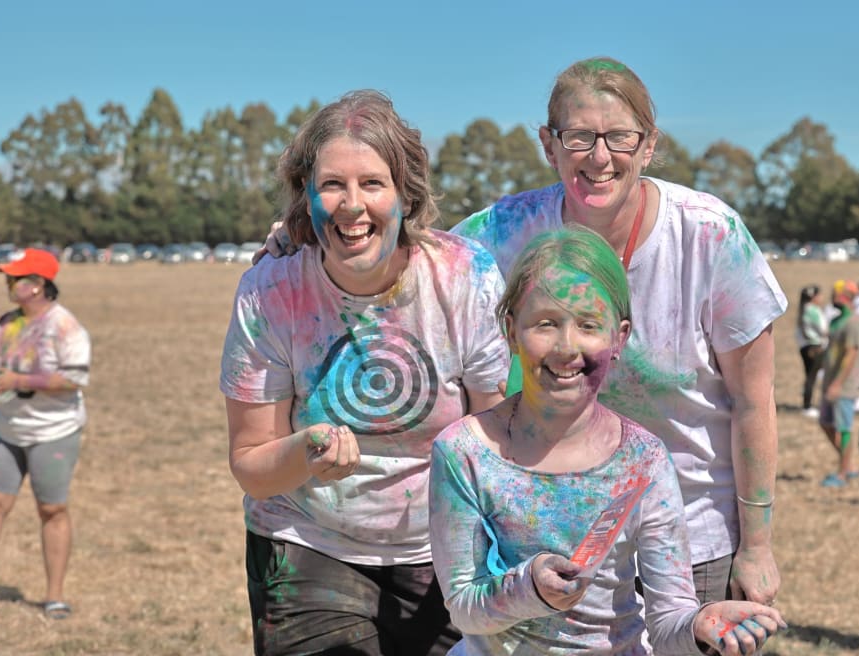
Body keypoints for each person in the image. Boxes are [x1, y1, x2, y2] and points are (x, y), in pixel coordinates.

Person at [257, 56, 786, 606]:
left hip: (691, 537)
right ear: (548, 145)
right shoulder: (506, 232)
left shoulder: (710, 237)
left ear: (649, 145)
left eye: (620, 137)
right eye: (578, 136)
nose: (599, 156)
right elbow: (406, 249)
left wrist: (759, 545)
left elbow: (755, 403)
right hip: (554, 542)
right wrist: (306, 232)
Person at [220, 90, 509, 655]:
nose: (352, 205)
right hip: (306, 541)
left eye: (373, 183)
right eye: (332, 185)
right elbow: (251, 464)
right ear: (306, 197)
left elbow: (497, 439)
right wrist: (305, 452)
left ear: (406, 194)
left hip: (444, 548)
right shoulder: (271, 291)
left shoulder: (462, 277)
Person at [429, 226, 786, 655]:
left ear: (618, 338)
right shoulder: (464, 452)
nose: (566, 346)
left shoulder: (643, 459)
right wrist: (529, 588)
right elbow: (464, 608)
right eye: (545, 323)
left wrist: (698, 626)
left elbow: (668, 617)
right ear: (511, 332)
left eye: (588, 325)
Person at [0, 248, 91, 620]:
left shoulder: (65, 327)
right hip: (7, 430)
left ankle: (54, 596)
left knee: (52, 509)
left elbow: (73, 378)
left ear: (38, 285)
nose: (8, 283)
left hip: (53, 433)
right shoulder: (6, 323)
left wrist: (20, 380)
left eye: (15, 277)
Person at [817, 280, 859, 488]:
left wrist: (838, 383)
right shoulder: (836, 321)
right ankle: (849, 465)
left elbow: (851, 353)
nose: (832, 297)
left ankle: (843, 474)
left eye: (835, 294)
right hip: (830, 383)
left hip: (844, 386)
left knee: (844, 428)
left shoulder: (853, 322)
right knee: (825, 423)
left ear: (845, 297)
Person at [796, 284, 827, 418]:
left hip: (805, 346)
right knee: (812, 376)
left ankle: (807, 403)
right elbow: (823, 329)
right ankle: (808, 405)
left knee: (810, 375)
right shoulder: (813, 310)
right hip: (815, 347)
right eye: (819, 295)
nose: (821, 298)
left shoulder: (803, 310)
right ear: (813, 297)